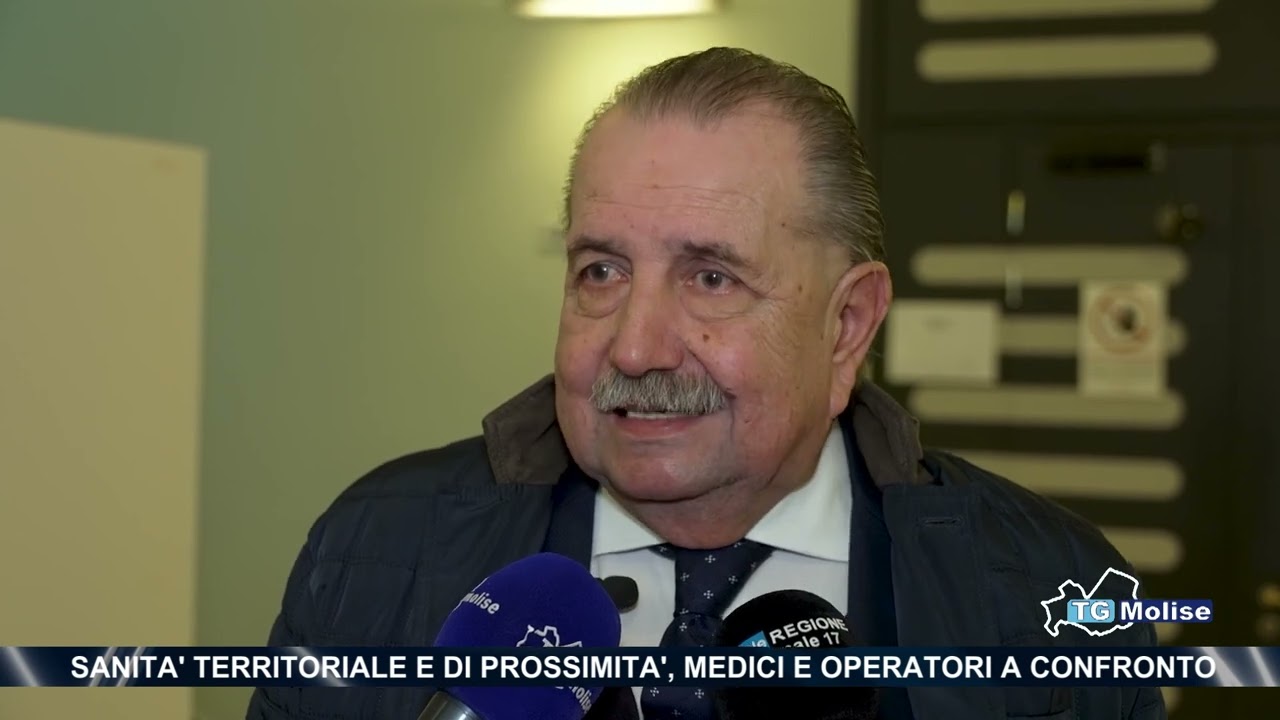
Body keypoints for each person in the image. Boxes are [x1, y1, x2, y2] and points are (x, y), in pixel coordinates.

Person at [247, 47, 1165, 720]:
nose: (635, 348)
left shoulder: (1057, 597)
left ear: (847, 325)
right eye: (602, 272)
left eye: (711, 278)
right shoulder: (371, 550)